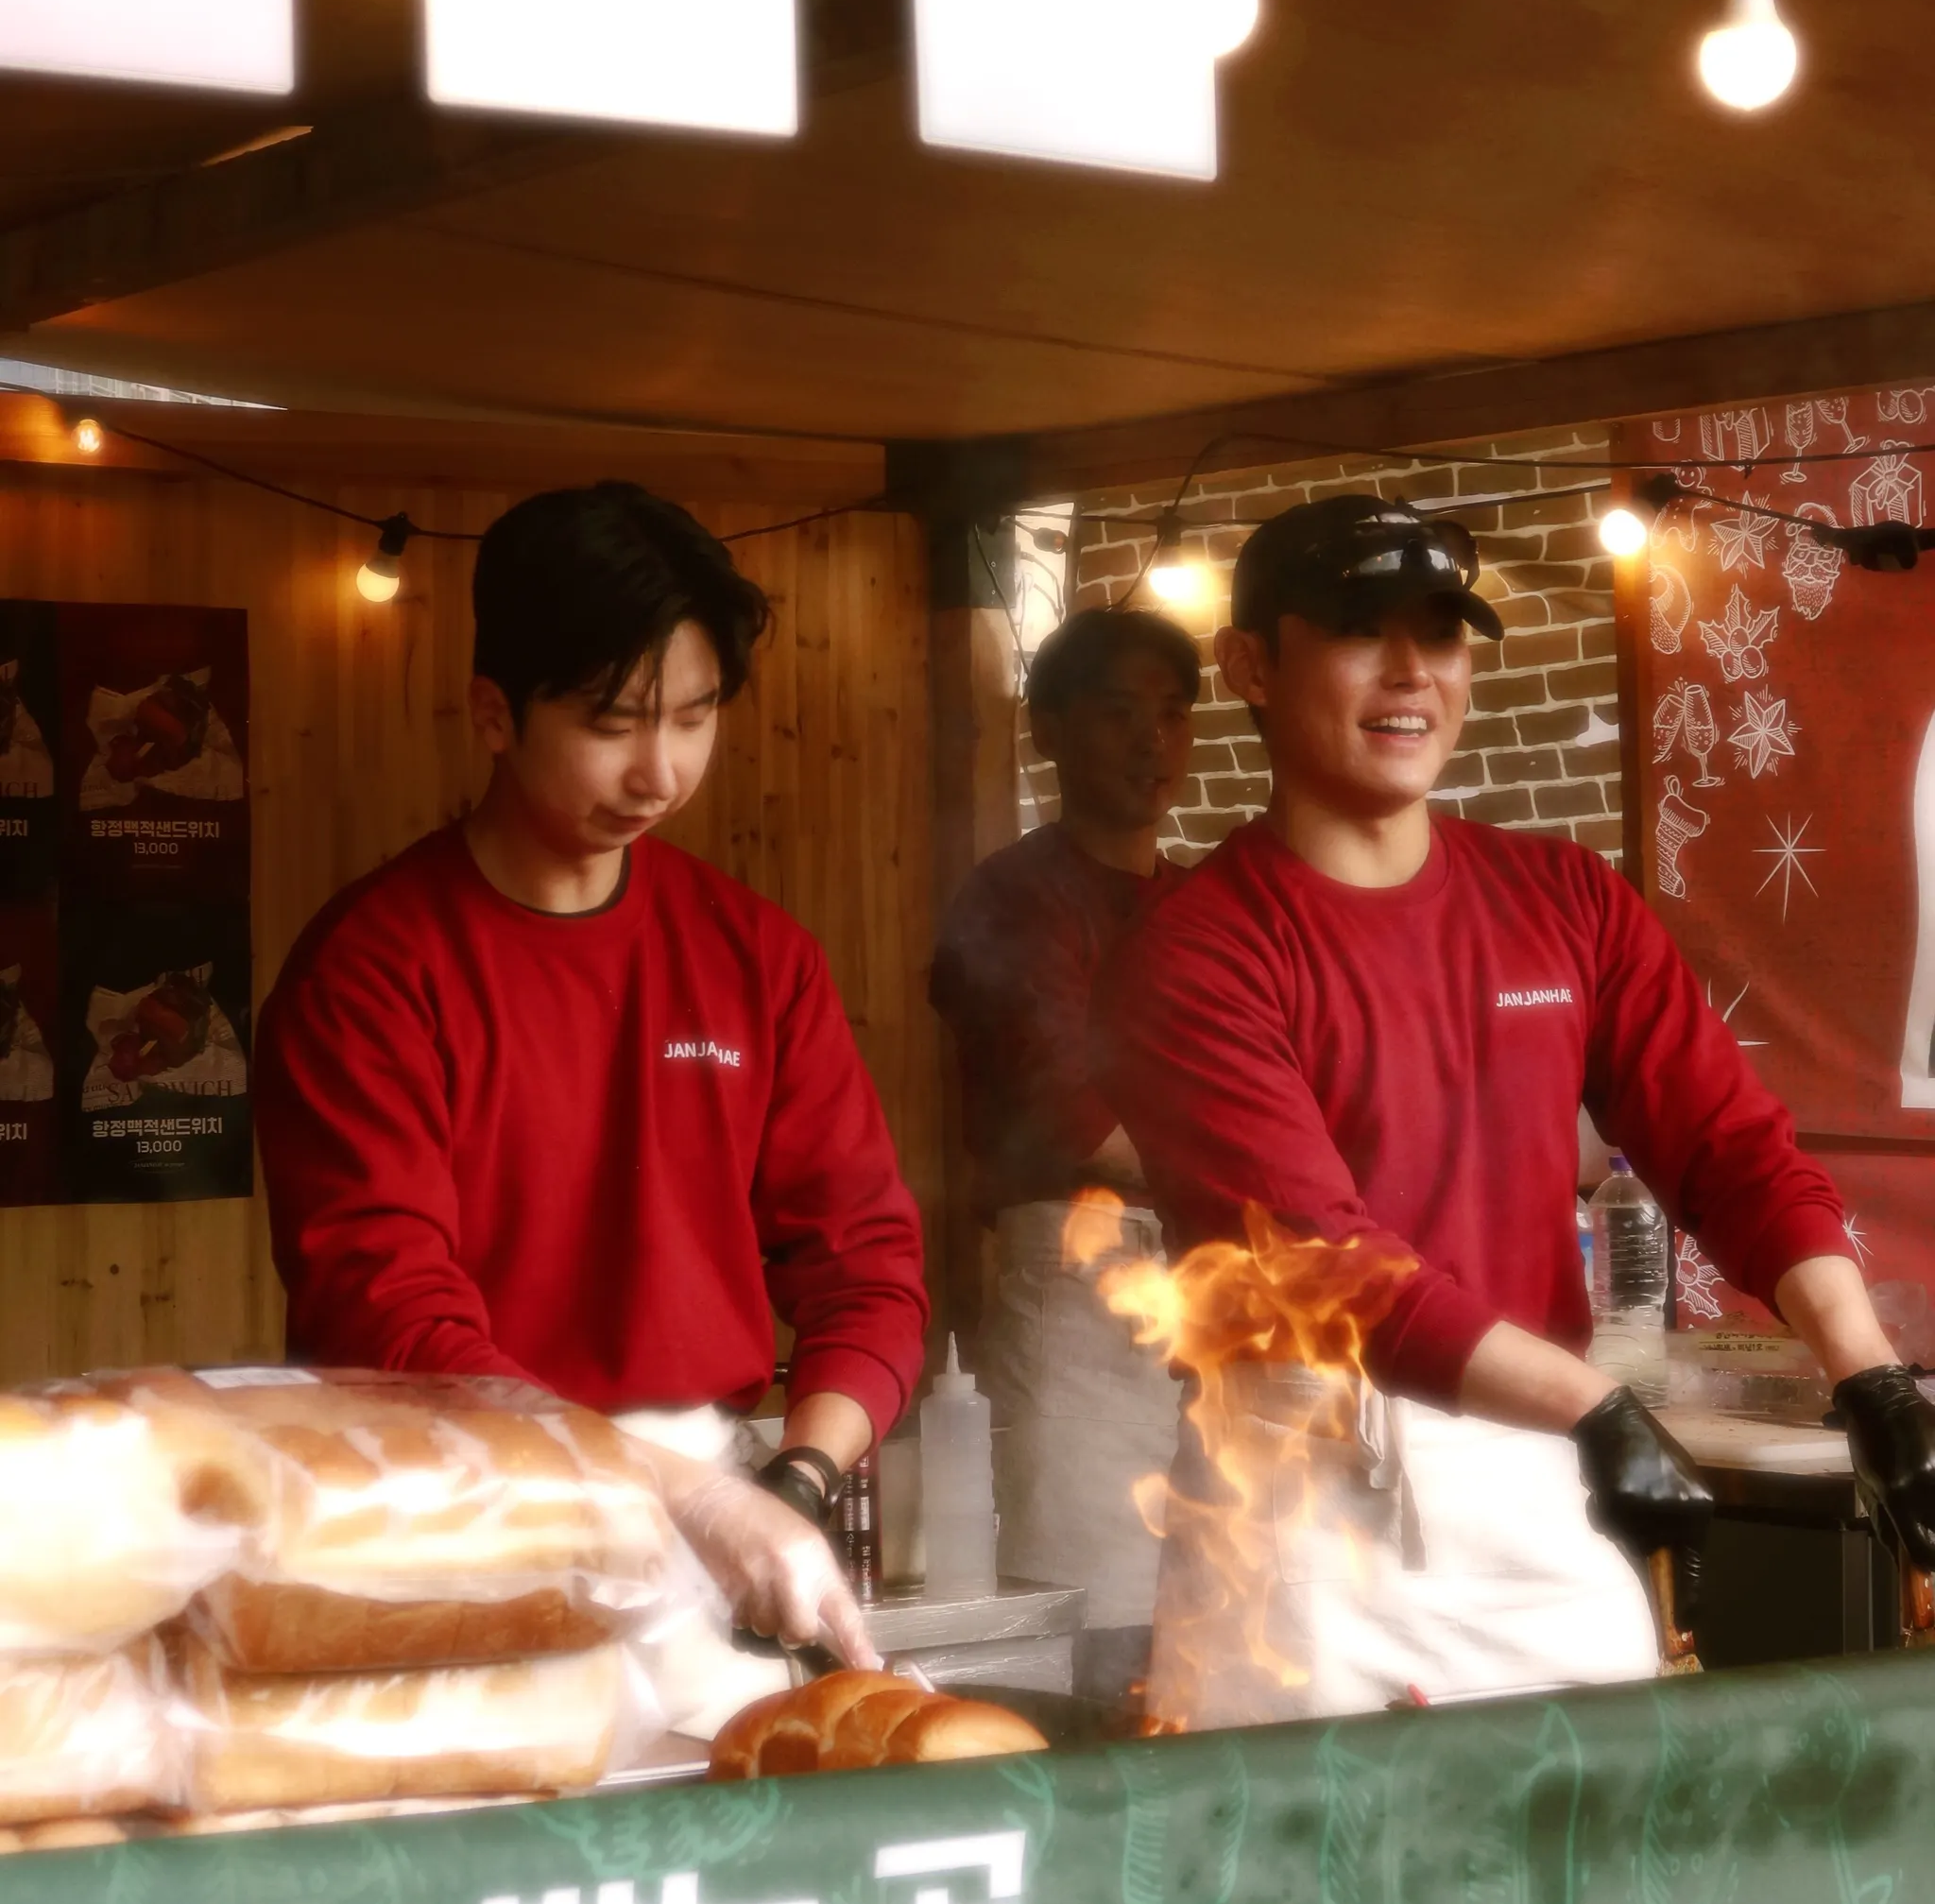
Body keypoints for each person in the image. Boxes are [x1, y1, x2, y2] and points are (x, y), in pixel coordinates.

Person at [1097, 492, 1935, 1724]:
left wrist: (1871, 1382)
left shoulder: (1564, 901)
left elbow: (1729, 1147)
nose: (1410, 673)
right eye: (1358, 631)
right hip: (1306, 1513)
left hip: (1543, 1472)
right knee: (1317, 1849)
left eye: (1440, 633)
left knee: (1603, 1832)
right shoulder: (1194, 953)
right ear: (1250, 666)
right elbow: (1330, 1268)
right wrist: (1596, 1407)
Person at [256, 483, 930, 1667]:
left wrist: (797, 1479)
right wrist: (695, 1498)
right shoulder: (370, 969)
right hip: (455, 1513)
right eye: (613, 724)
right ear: (494, 714)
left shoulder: (756, 957)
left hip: (716, 1516)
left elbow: (867, 1268)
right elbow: (392, 1315)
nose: (659, 771)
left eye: (695, 717)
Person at [930, 604, 1198, 1698]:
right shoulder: (1012, 897)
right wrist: (1232, 1166)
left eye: (1172, 715)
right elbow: (1067, 1112)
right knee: (1093, 1638)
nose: (1152, 742)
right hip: (1076, 1289)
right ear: (1046, 729)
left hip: (1212, 1290)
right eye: (1119, 713)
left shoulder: (1199, 901)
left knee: (1217, 1627)